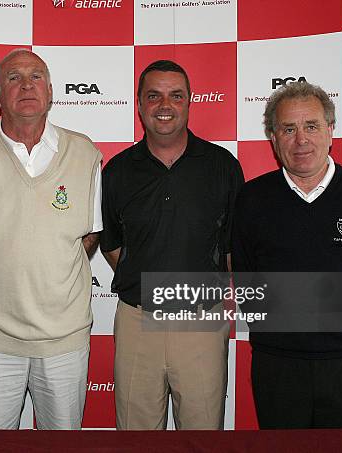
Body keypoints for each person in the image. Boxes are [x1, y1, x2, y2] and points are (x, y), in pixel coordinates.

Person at [0, 49, 102, 430]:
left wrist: (47, 269)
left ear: (50, 92)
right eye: (13, 78)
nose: (26, 85)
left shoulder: (85, 153)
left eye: (36, 77)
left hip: (63, 341)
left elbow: (90, 233)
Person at [231, 81, 342, 428]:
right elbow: (245, 278)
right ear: (273, 138)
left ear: (331, 131)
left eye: (311, 126)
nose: (300, 139)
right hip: (279, 367)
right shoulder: (252, 199)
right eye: (288, 129)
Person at [100, 60, 244, 429]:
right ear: (139, 104)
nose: (165, 105)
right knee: (136, 436)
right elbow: (112, 245)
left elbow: (231, 248)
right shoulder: (117, 171)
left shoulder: (222, 166)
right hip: (137, 320)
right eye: (154, 96)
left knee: (201, 434)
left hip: (201, 321)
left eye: (175, 95)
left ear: (189, 102)